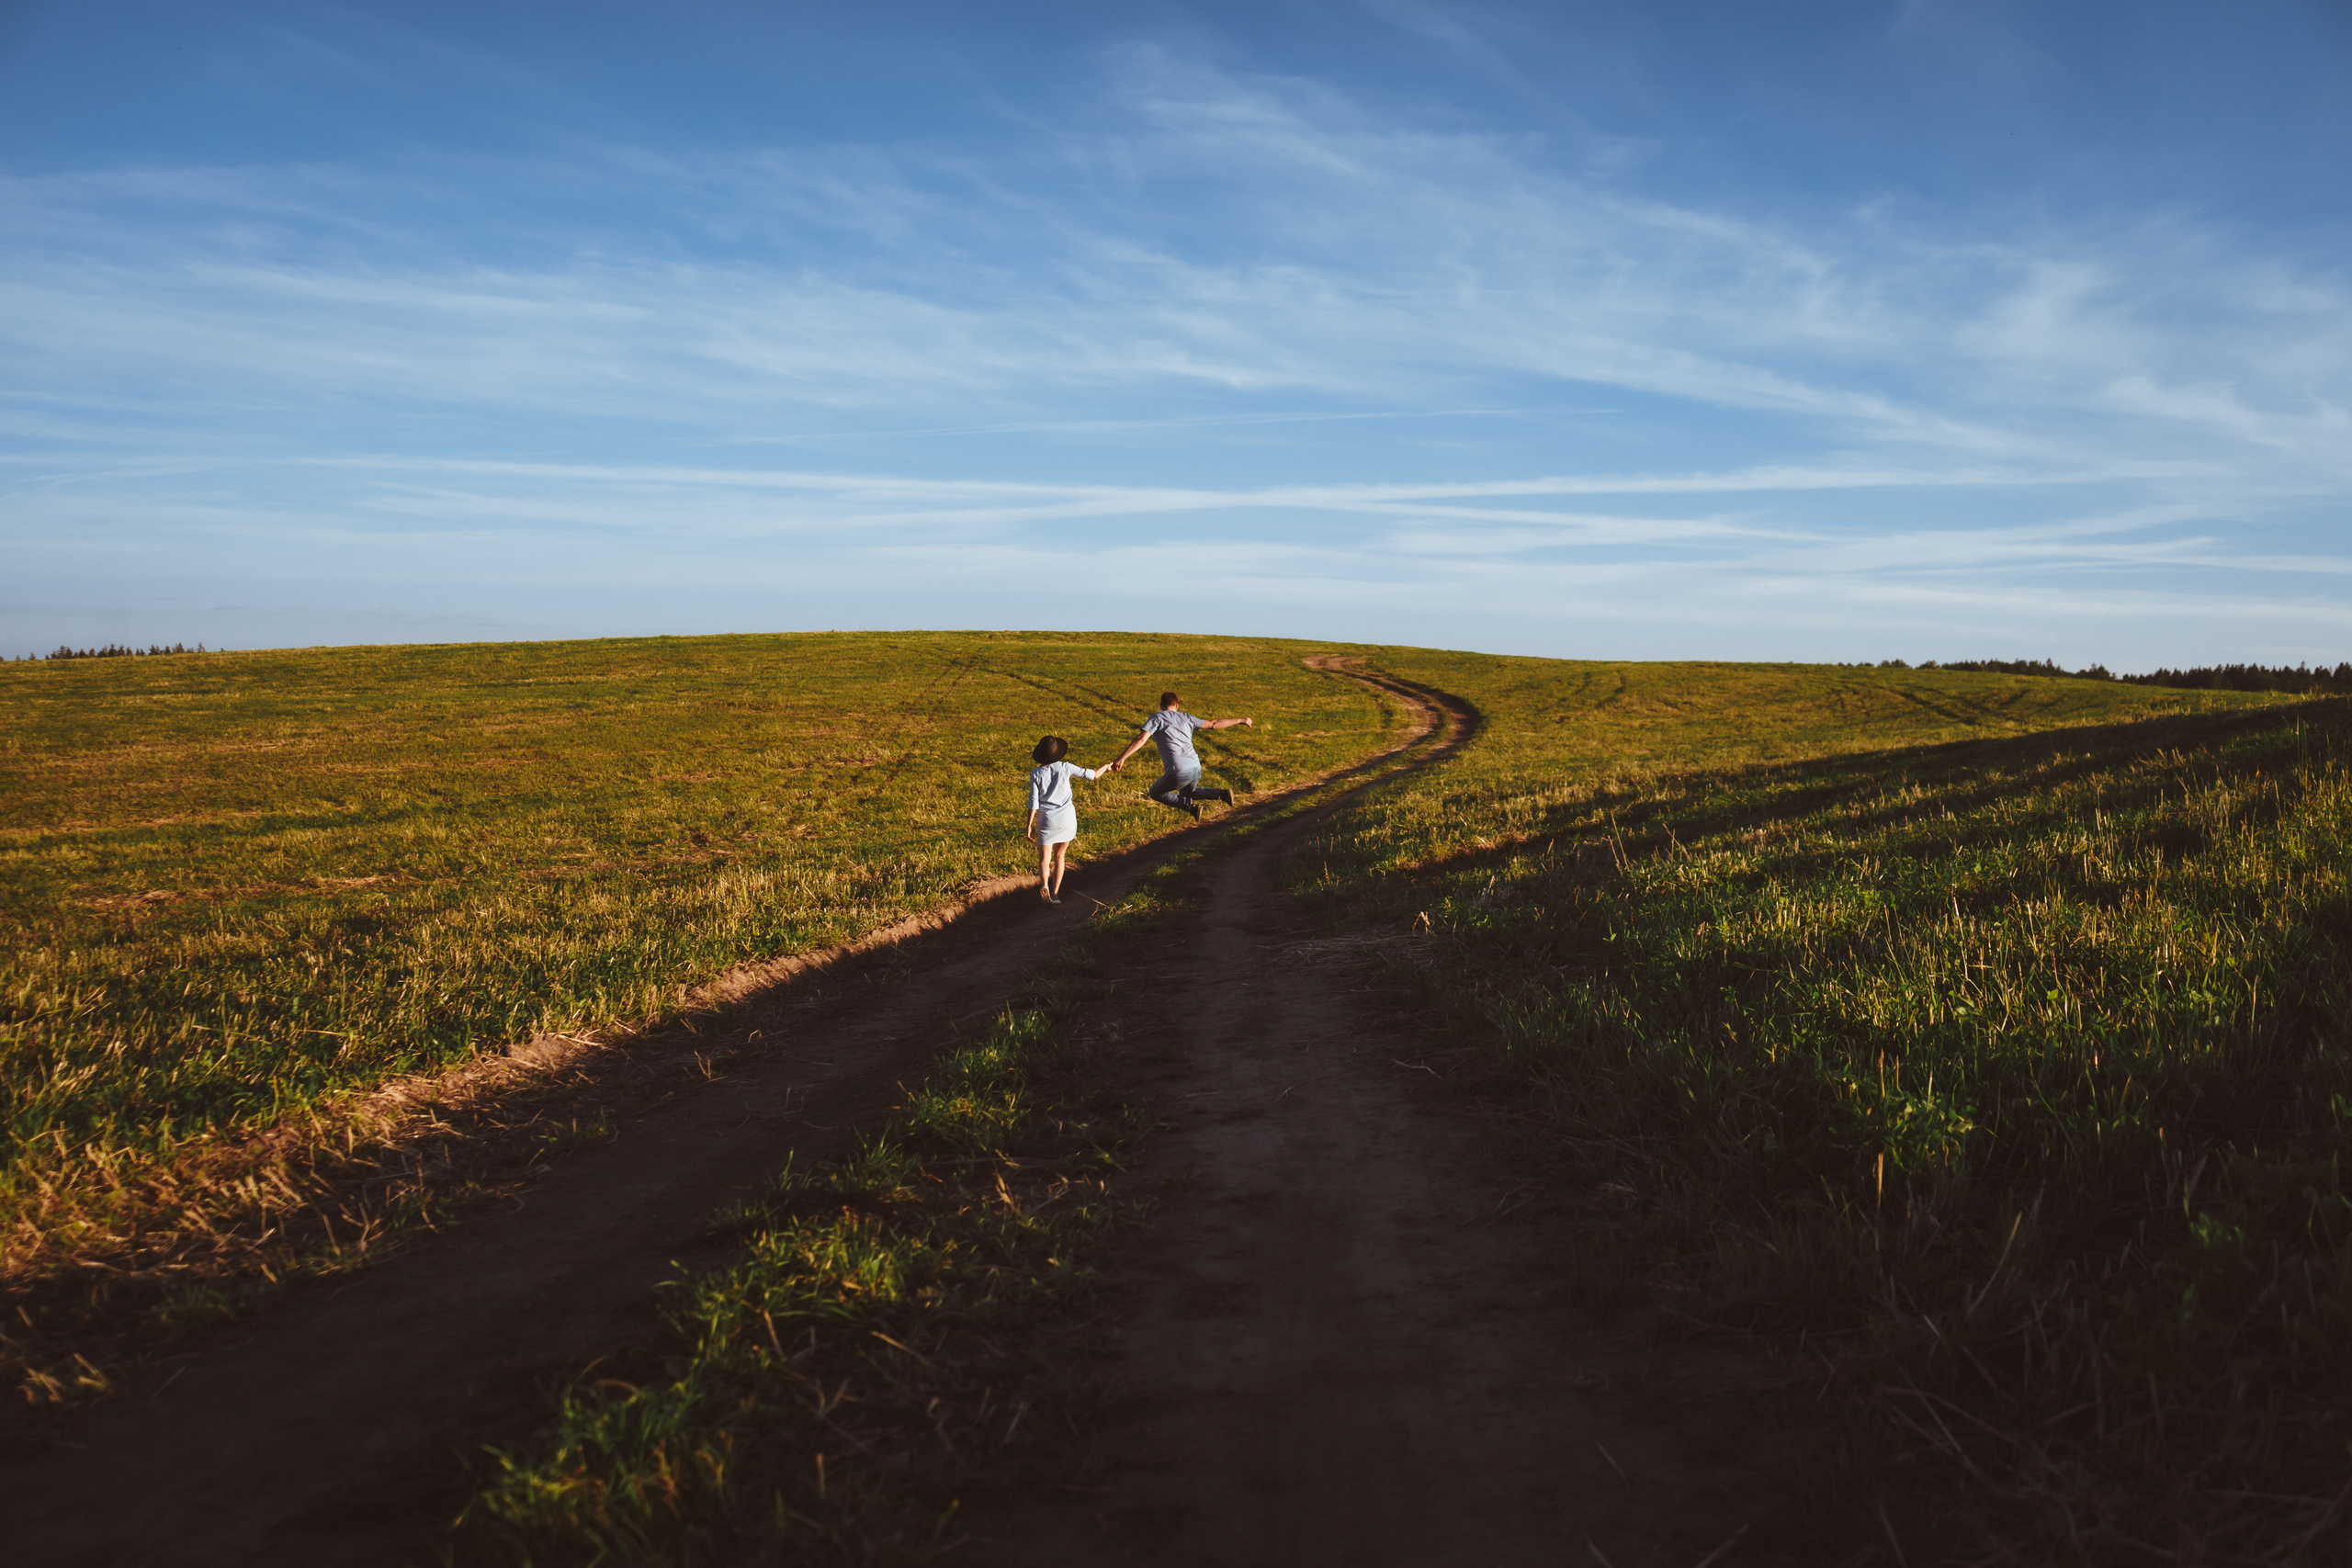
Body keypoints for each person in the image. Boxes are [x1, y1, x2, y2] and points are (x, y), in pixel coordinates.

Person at [1111, 691, 1252, 819]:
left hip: (1178, 771)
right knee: (1188, 793)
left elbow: (1141, 739)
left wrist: (1121, 758)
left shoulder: (1157, 718)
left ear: (1160, 705)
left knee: (1155, 792)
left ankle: (1190, 807)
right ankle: (1222, 794)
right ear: (1177, 705)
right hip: (1195, 767)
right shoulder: (1186, 717)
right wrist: (1241, 720)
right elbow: (1213, 724)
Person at [1025, 735, 1115, 905]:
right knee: (1060, 856)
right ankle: (1056, 895)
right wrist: (1107, 767)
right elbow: (1093, 775)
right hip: (1066, 818)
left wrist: (1029, 825)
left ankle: (1044, 885)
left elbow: (1033, 802)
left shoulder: (1036, 773)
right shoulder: (1066, 767)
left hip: (1046, 820)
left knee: (1044, 859)